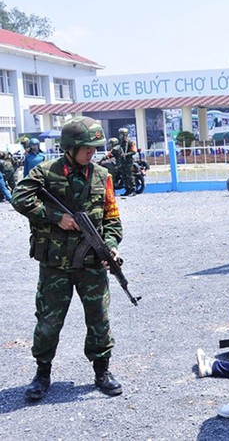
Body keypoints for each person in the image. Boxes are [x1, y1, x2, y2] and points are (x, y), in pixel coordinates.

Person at [11, 116, 125, 401]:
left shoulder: (102, 176)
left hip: (91, 265)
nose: (92, 153)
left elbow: (112, 219)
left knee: (99, 318)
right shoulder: (45, 172)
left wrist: (110, 245)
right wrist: (55, 217)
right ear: (70, 147)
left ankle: (102, 371)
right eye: (87, 148)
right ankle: (42, 374)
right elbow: (20, 197)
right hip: (55, 266)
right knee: (49, 321)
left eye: (95, 148)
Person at [116, 128, 137, 196]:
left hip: (128, 162)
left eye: (121, 134)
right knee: (124, 176)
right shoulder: (121, 143)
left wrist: (126, 154)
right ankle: (127, 190)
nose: (120, 136)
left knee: (129, 176)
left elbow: (134, 151)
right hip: (122, 162)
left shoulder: (130, 142)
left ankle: (133, 190)